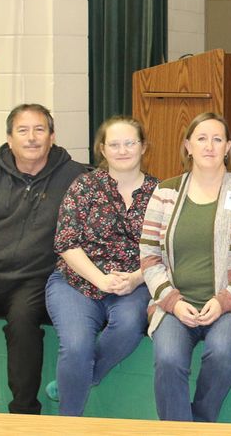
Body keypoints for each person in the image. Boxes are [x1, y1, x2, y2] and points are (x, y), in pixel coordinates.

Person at [139, 112, 231, 422]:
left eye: (217, 139)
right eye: (201, 138)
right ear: (187, 145)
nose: (209, 146)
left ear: (228, 146)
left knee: (222, 354)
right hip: (176, 304)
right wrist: (172, 301)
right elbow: (148, 256)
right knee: (169, 359)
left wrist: (224, 299)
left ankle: (199, 425)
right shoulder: (166, 192)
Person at [0, 104, 86, 413]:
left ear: (52, 136)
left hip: (34, 281)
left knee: (23, 325)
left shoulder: (76, 176)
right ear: (9, 138)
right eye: (23, 131)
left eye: (39, 130)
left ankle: (25, 415)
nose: (31, 138)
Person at [45, 116, 158, 416]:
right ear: (102, 150)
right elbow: (67, 242)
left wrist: (135, 279)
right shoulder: (83, 186)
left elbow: (166, 250)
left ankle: (82, 377)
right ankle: (70, 426)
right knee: (76, 346)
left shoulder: (161, 193)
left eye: (130, 143)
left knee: (130, 326)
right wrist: (100, 279)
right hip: (77, 280)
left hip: (136, 282)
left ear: (143, 147)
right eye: (114, 144)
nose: (122, 150)